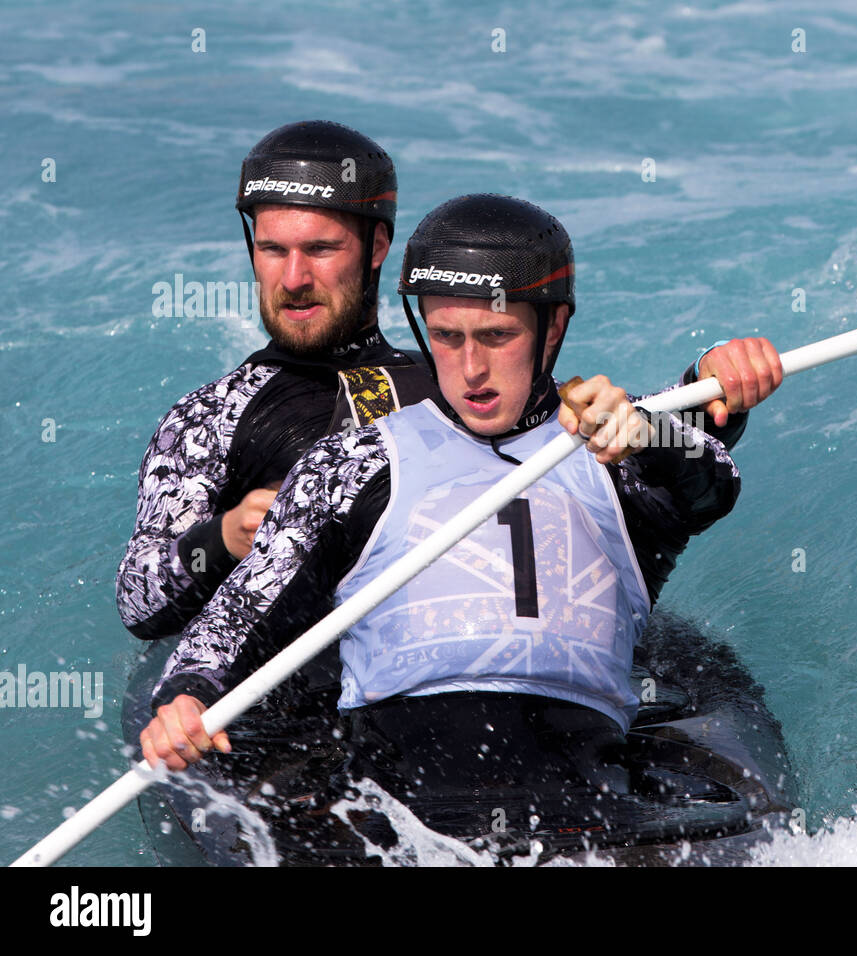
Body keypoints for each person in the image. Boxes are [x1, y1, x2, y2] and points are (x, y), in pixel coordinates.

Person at [138, 195, 782, 847]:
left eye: (496, 337)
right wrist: (187, 694)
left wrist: (671, 413)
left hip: (586, 799)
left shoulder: (616, 449)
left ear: (553, 328)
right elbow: (239, 613)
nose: (470, 367)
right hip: (400, 813)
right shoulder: (351, 464)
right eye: (447, 337)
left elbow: (710, 480)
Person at [116, 119, 442, 643]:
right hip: (281, 712)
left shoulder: (460, 387)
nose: (293, 280)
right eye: (273, 250)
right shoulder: (211, 418)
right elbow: (137, 601)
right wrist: (224, 537)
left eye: (319, 250)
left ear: (377, 246)